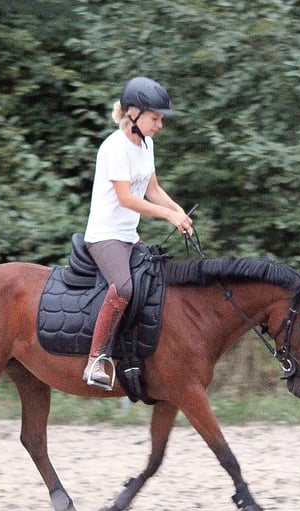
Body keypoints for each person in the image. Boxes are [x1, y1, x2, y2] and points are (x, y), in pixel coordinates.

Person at [82, 76, 193, 387]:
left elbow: (153, 189)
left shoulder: (147, 145)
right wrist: (168, 217)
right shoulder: (114, 148)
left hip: (129, 237)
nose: (159, 125)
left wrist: (178, 210)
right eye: (155, 118)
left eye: (160, 119)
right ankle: (95, 361)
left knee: (158, 282)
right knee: (124, 288)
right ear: (133, 113)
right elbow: (128, 198)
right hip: (105, 236)